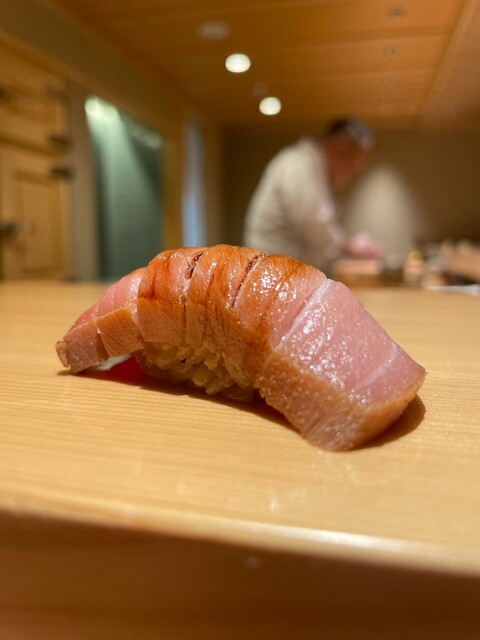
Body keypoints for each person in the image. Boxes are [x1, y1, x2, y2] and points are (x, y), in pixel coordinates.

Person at [243, 117, 384, 272]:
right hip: (272, 272)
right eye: (357, 160)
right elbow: (311, 223)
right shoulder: (299, 164)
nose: (358, 168)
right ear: (339, 146)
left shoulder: (313, 168)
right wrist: (349, 244)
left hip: (284, 271)